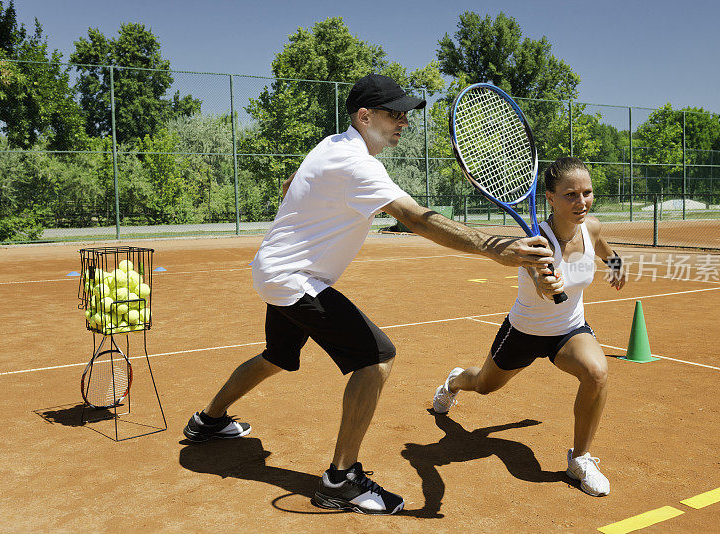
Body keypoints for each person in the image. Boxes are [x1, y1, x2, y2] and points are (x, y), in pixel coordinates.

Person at [183, 73, 561, 515]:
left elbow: (291, 185)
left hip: (278, 270)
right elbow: (415, 218)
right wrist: (496, 248)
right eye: (393, 113)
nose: (403, 121)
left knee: (276, 356)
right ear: (364, 116)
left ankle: (207, 422)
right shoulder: (357, 165)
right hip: (294, 277)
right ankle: (340, 480)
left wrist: (303, 204)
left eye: (405, 114)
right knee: (375, 358)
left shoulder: (332, 145)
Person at [431, 156, 626, 497]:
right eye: (570, 195)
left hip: (569, 331)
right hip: (522, 332)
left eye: (587, 193)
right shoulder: (536, 243)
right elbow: (541, 285)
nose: (581, 202)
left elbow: (604, 249)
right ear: (550, 198)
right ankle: (454, 380)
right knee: (484, 385)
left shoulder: (590, 227)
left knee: (597, 373)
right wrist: (548, 285)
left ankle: (580, 458)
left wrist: (616, 264)